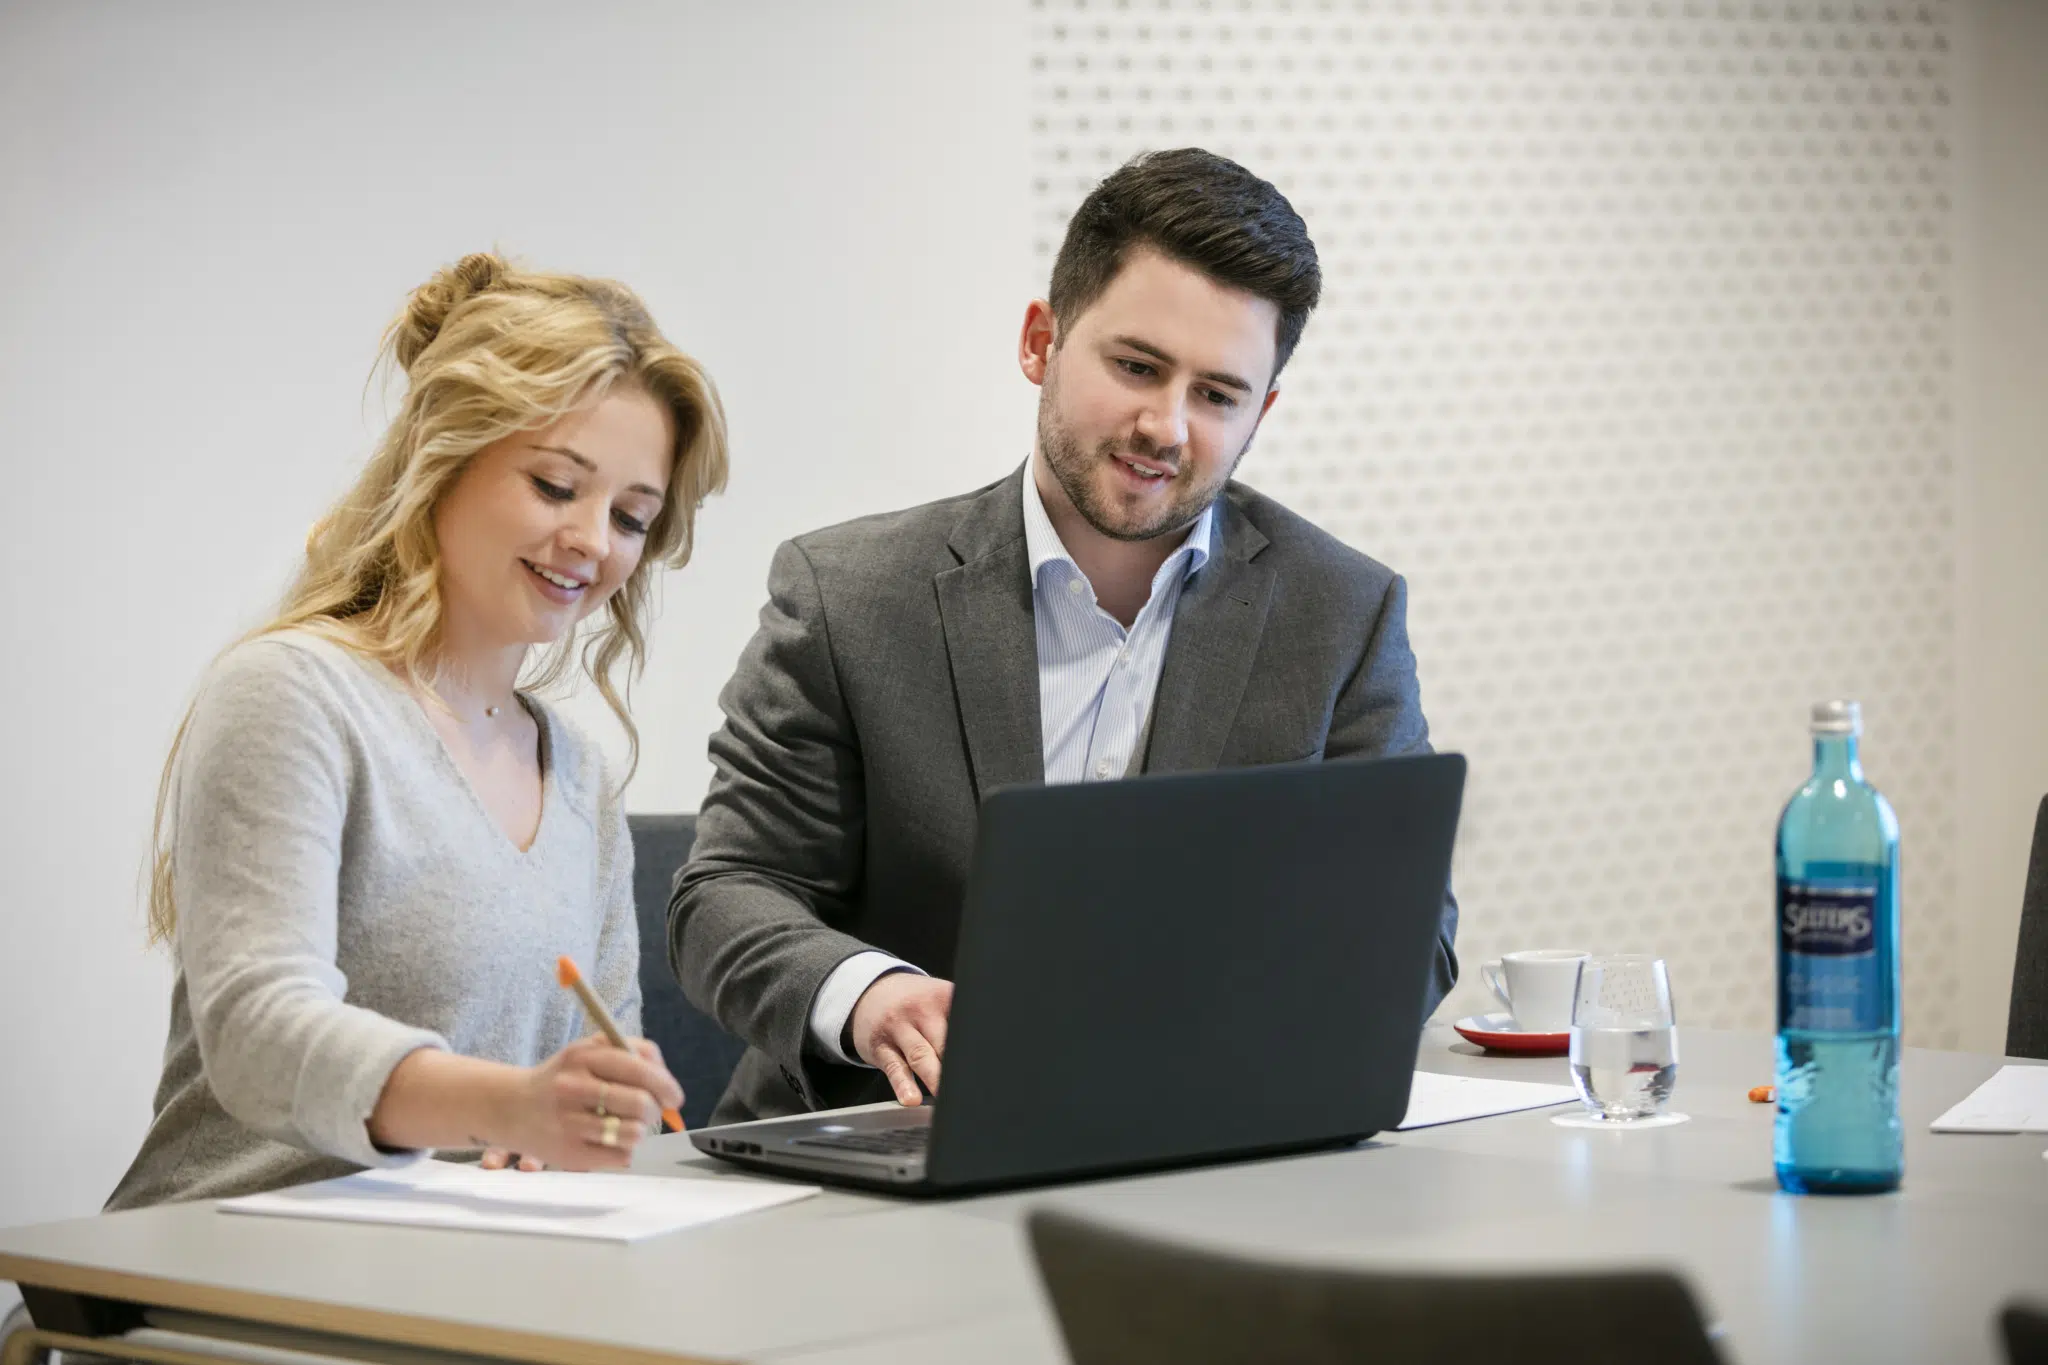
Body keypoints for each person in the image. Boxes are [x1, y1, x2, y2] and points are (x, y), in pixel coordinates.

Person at [672, 148, 1456, 1125]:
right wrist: (869, 996)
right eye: (1134, 366)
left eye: (1217, 395)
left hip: (1202, 1148)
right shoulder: (849, 598)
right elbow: (727, 894)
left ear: (1263, 411)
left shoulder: (1340, 614)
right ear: (1041, 341)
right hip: (880, 1147)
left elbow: (1407, 936)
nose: (1164, 426)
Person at [106, 253, 726, 1209]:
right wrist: (511, 1105)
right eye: (557, 488)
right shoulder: (292, 693)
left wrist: (594, 1116)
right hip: (235, 1263)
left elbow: (602, 1072)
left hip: (467, 1265)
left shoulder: (581, 778)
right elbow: (260, 1034)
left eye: (632, 517)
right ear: (444, 459)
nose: (597, 543)